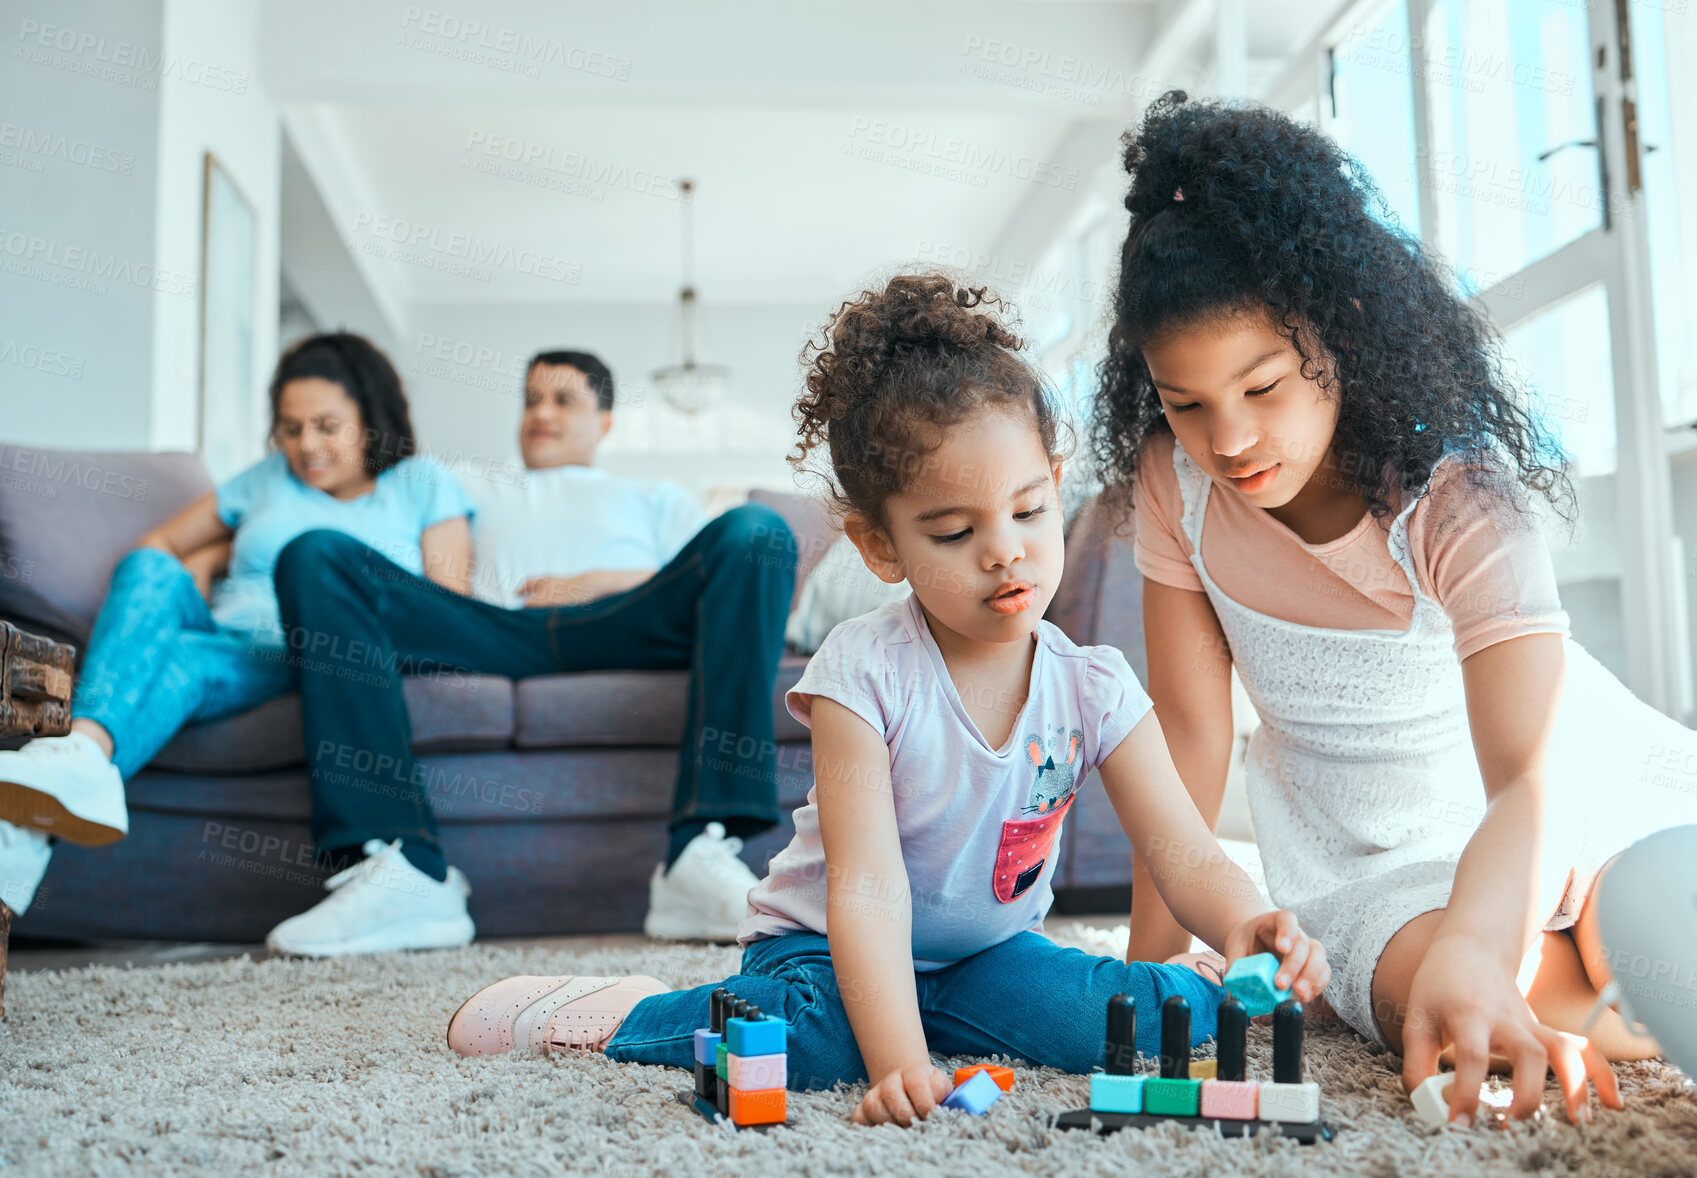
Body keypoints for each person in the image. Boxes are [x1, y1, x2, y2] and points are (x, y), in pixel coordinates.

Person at [442, 275, 1330, 1127]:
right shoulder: (859, 672)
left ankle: (1179, 980)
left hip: (986, 955)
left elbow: (1181, 851)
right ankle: (622, 1011)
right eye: (954, 531)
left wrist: (1244, 919)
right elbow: (865, 888)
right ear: (879, 545)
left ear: (1053, 486)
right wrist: (898, 1059)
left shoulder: (1092, 683)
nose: (1005, 553)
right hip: (824, 953)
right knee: (817, 1044)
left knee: (1110, 1026)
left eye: (1027, 513)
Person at [1095, 91, 1697, 1127]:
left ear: (1342, 332)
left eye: (1263, 384)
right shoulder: (1171, 482)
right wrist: (1150, 971)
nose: (1227, 437)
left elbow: (1527, 778)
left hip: (1553, 791)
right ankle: (1514, 977)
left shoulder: (1454, 495)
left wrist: (1482, 934)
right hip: (1371, 856)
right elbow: (1188, 734)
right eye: (1184, 401)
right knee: (1444, 1003)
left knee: (1636, 927)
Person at [265, 349, 796, 955]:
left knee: (758, 531)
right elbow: (431, 572)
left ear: (605, 422)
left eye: (563, 400)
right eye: (531, 399)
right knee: (315, 554)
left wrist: (596, 582)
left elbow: (707, 584)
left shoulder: (655, 498)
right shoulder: (465, 481)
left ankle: (698, 851)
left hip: (624, 625)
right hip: (497, 632)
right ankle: (405, 870)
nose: (541, 413)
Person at [0, 332, 475, 926]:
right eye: (292, 427)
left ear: (372, 419)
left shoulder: (421, 483)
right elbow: (160, 545)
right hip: (218, 634)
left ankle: (31, 822)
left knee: (181, 666)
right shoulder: (267, 479)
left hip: (298, 653)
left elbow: (448, 606)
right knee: (149, 567)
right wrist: (204, 562)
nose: (308, 446)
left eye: (327, 426)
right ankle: (81, 758)